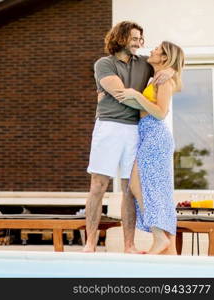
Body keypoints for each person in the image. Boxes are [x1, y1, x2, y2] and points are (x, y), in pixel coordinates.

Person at [83, 21, 172, 253]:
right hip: (109, 127)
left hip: (134, 130)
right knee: (98, 185)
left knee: (128, 189)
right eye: (134, 38)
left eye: (140, 39)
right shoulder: (104, 64)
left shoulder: (144, 64)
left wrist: (170, 70)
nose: (139, 43)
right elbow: (120, 94)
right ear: (121, 38)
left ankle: (129, 245)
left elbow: (172, 73)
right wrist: (125, 95)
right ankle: (90, 242)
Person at [114, 41, 184, 254]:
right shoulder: (158, 75)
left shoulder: (163, 80)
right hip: (147, 134)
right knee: (143, 187)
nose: (151, 50)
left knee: (137, 185)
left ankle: (160, 237)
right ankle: (160, 239)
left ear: (164, 57)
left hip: (155, 134)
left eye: (157, 49)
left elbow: (161, 112)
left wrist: (136, 95)